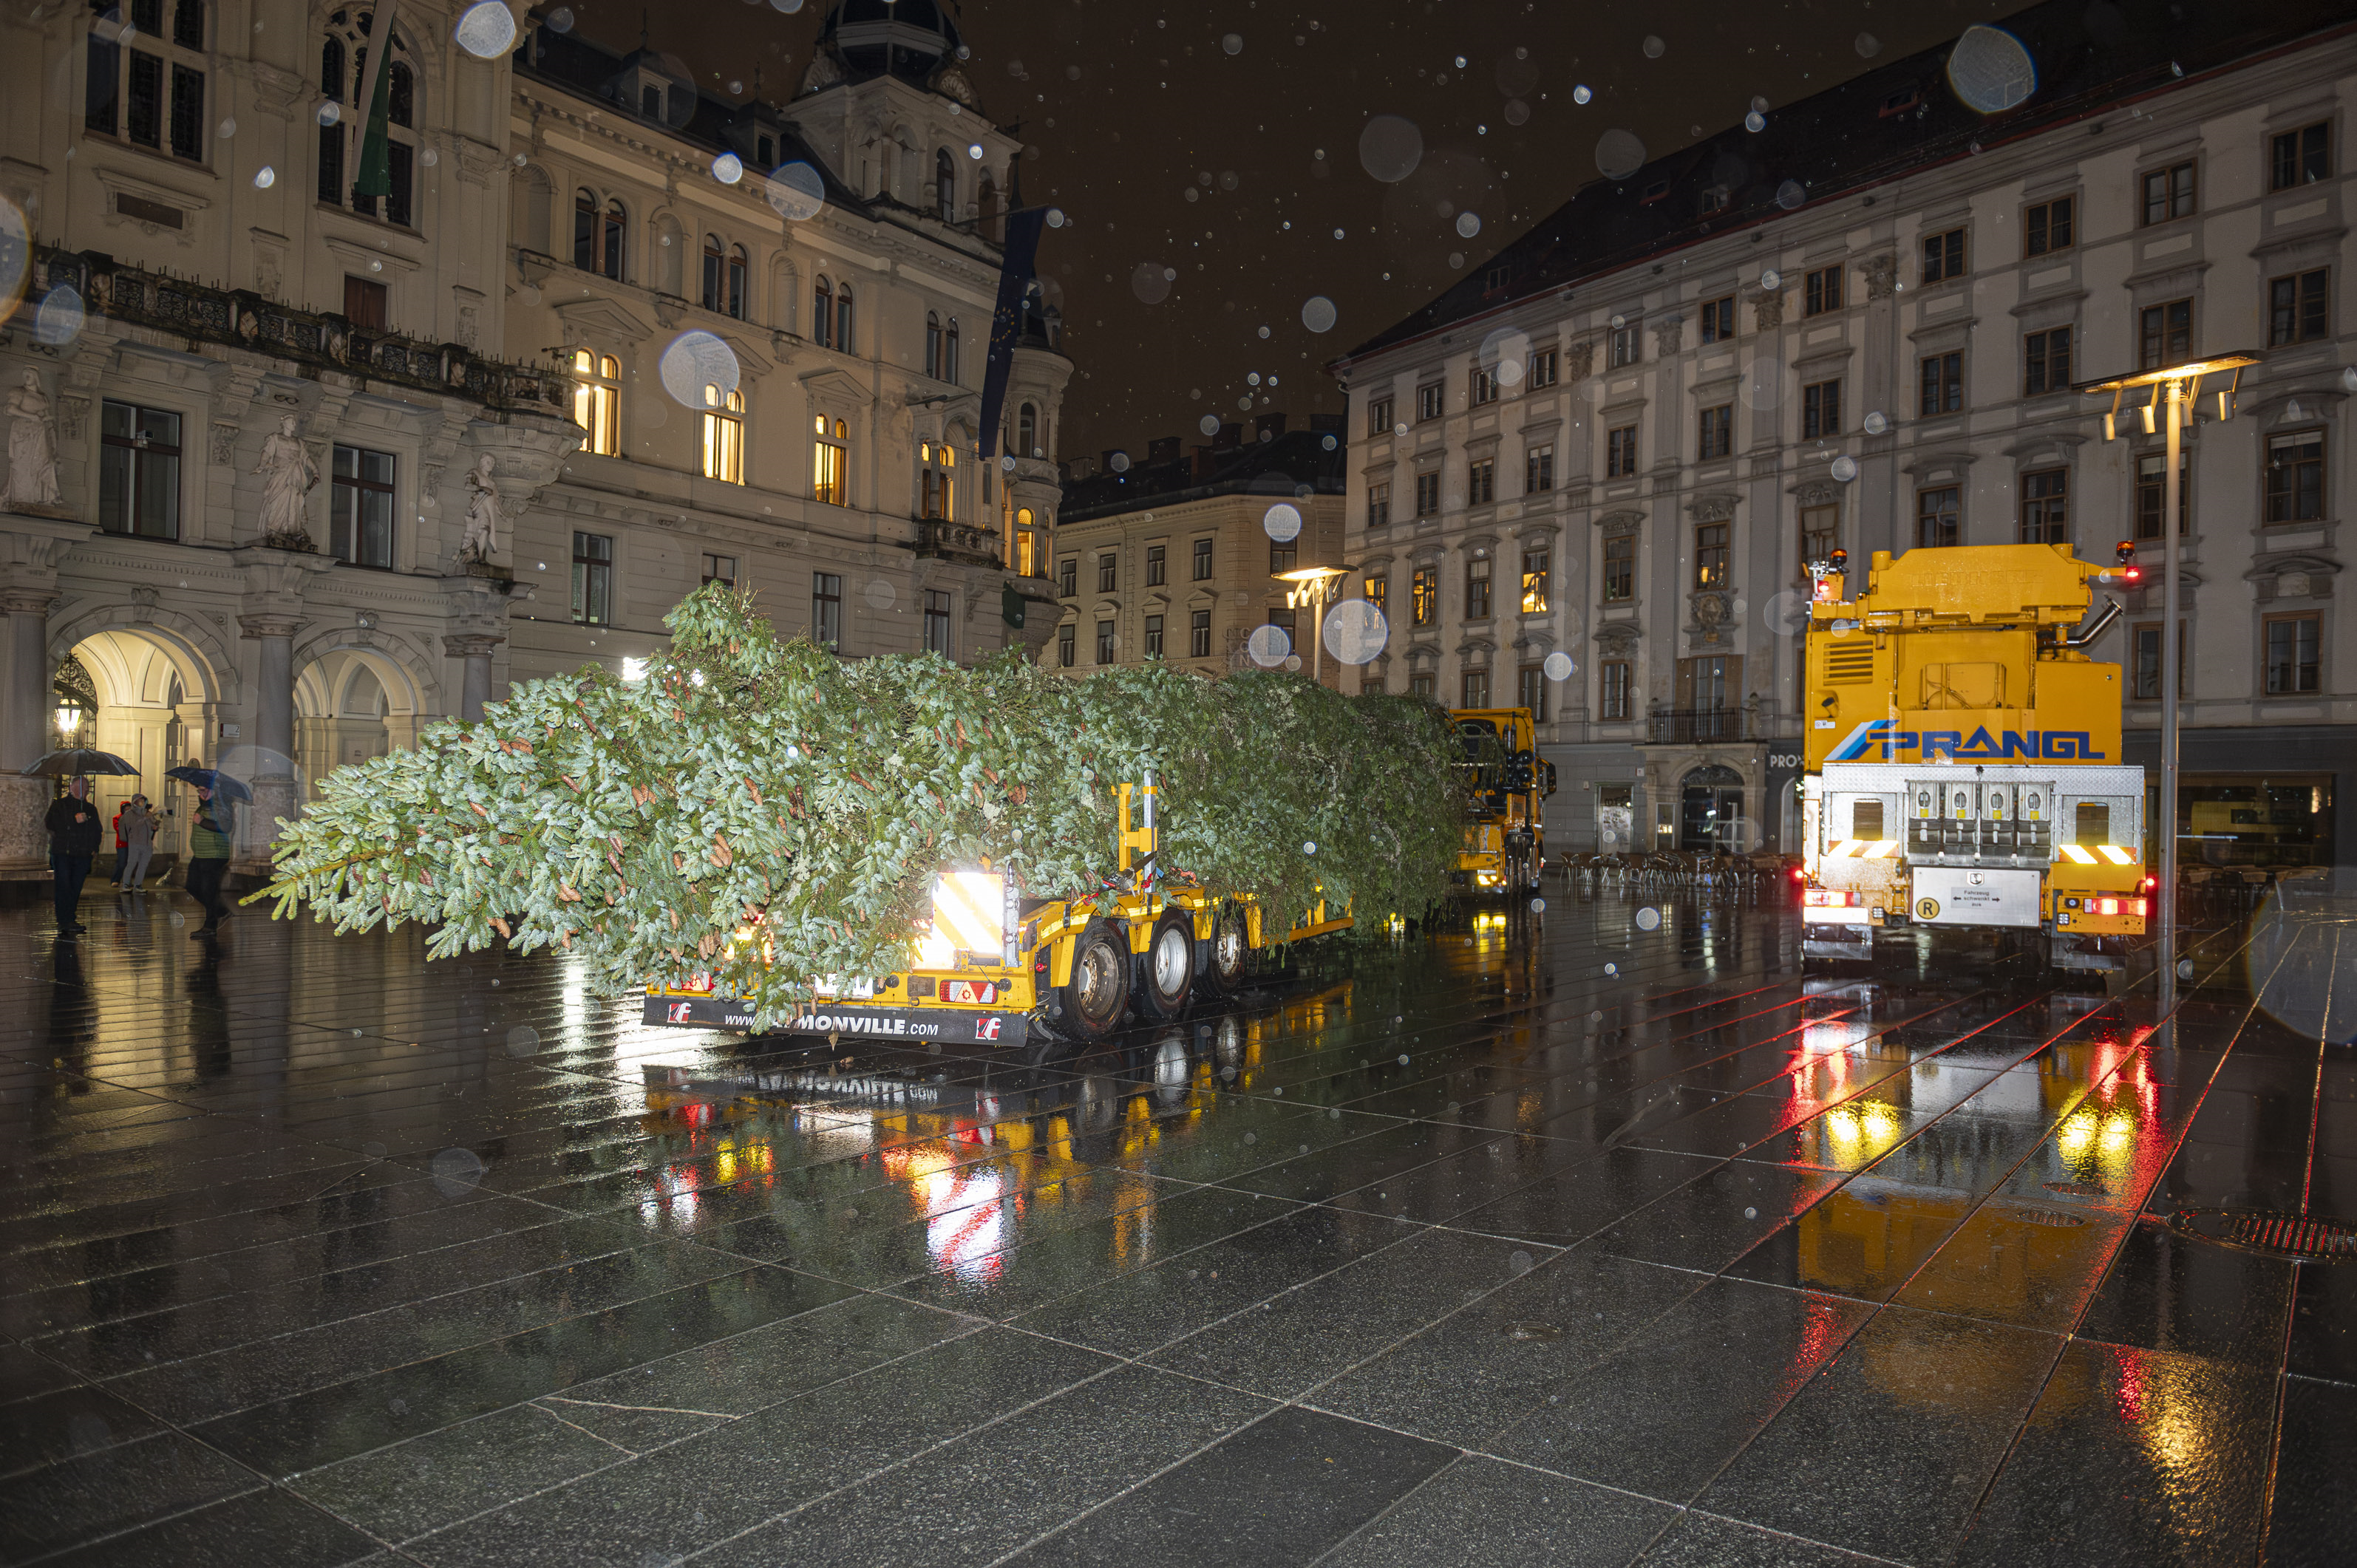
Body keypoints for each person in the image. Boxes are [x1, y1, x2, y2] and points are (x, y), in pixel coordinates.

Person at [42, 777, 101, 934]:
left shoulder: (90, 808)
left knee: (75, 887)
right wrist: (73, 820)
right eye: (82, 786)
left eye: (87, 787)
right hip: (63, 853)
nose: (86, 790)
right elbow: (50, 824)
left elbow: (97, 830)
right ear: (72, 787)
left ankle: (71, 918)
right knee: (64, 887)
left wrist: (94, 848)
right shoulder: (59, 805)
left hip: (82, 855)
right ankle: (64, 920)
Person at [186, 783, 234, 935]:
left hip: (215, 854)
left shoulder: (221, 805)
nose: (200, 793)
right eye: (199, 790)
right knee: (192, 886)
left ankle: (210, 926)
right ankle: (221, 911)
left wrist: (202, 822)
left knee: (209, 890)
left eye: (203, 790)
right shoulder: (204, 806)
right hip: (201, 854)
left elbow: (225, 827)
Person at [116, 795, 157, 890]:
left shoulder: (148, 814)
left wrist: (155, 826)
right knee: (132, 863)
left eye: (143, 800)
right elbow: (134, 826)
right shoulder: (129, 814)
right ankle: (125, 884)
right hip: (135, 843)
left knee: (143, 865)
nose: (142, 802)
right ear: (134, 802)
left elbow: (152, 825)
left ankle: (138, 885)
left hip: (147, 843)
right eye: (139, 801)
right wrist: (145, 818)